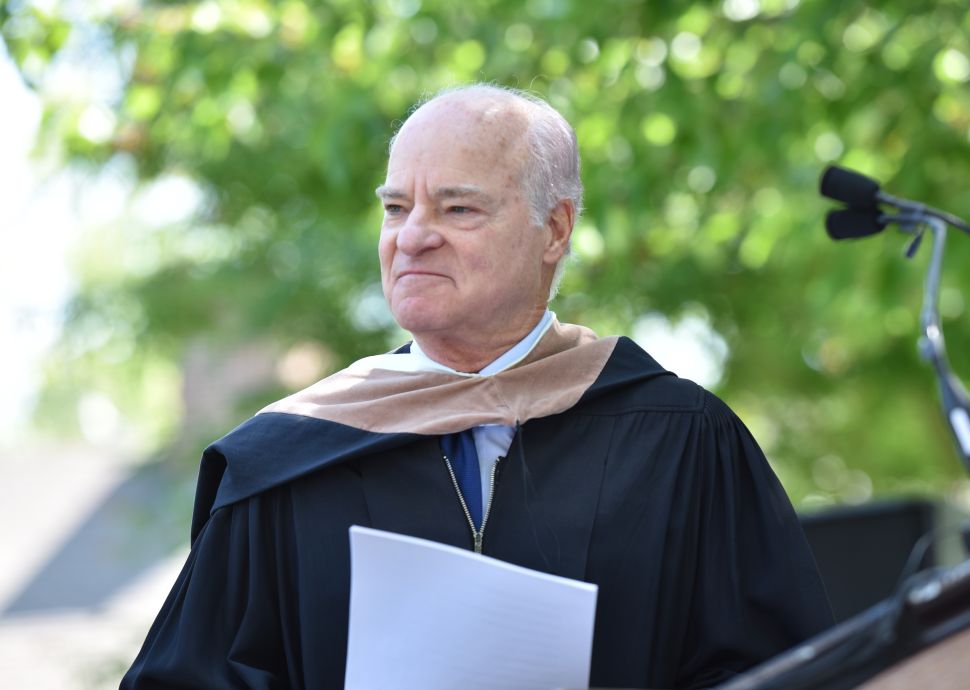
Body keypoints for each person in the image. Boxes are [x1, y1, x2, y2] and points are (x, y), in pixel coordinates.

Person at [122, 84, 833, 689]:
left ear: (554, 229)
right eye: (396, 208)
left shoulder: (679, 441)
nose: (412, 237)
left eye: (457, 209)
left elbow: (784, 671)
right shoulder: (288, 459)